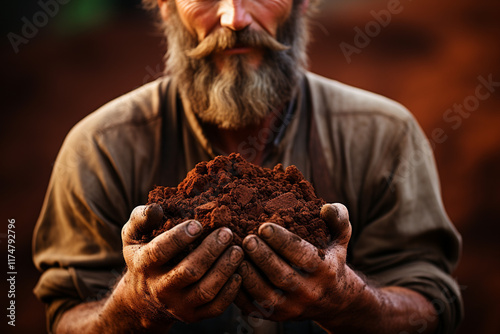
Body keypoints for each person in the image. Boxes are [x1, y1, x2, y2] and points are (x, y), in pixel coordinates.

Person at [33, 0, 463, 333]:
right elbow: (65, 315)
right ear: (162, 4)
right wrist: (136, 305)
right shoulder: (99, 149)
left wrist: (349, 301)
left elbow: (432, 303)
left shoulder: (385, 135)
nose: (235, 18)